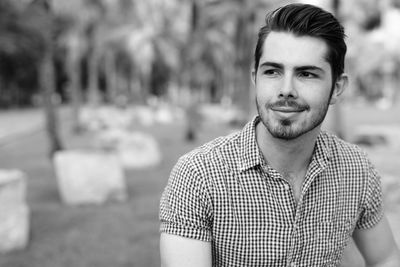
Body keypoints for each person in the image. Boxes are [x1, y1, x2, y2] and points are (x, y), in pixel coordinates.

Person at [159, 3, 400, 266]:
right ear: (255, 78)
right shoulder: (199, 176)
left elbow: (385, 258)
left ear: (338, 88)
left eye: (306, 74)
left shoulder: (357, 170)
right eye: (272, 71)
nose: (286, 90)